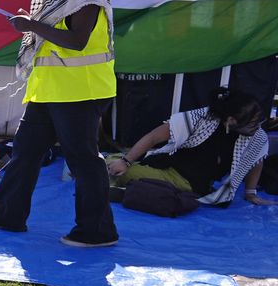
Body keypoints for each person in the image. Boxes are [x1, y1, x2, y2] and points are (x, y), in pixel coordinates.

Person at [0, 0, 119, 248]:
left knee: (83, 160)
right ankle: (6, 214)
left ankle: (97, 231)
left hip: (81, 91)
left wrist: (32, 25)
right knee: (24, 153)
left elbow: (78, 42)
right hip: (51, 91)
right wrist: (33, 24)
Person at [108, 87, 274, 206]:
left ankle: (130, 191)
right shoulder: (201, 118)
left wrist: (251, 193)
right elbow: (153, 137)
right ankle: (134, 189)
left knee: (107, 166)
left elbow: (257, 159)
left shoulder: (256, 136)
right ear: (231, 121)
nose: (258, 126)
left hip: (185, 182)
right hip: (167, 166)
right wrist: (126, 161)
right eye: (253, 123)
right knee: (113, 163)